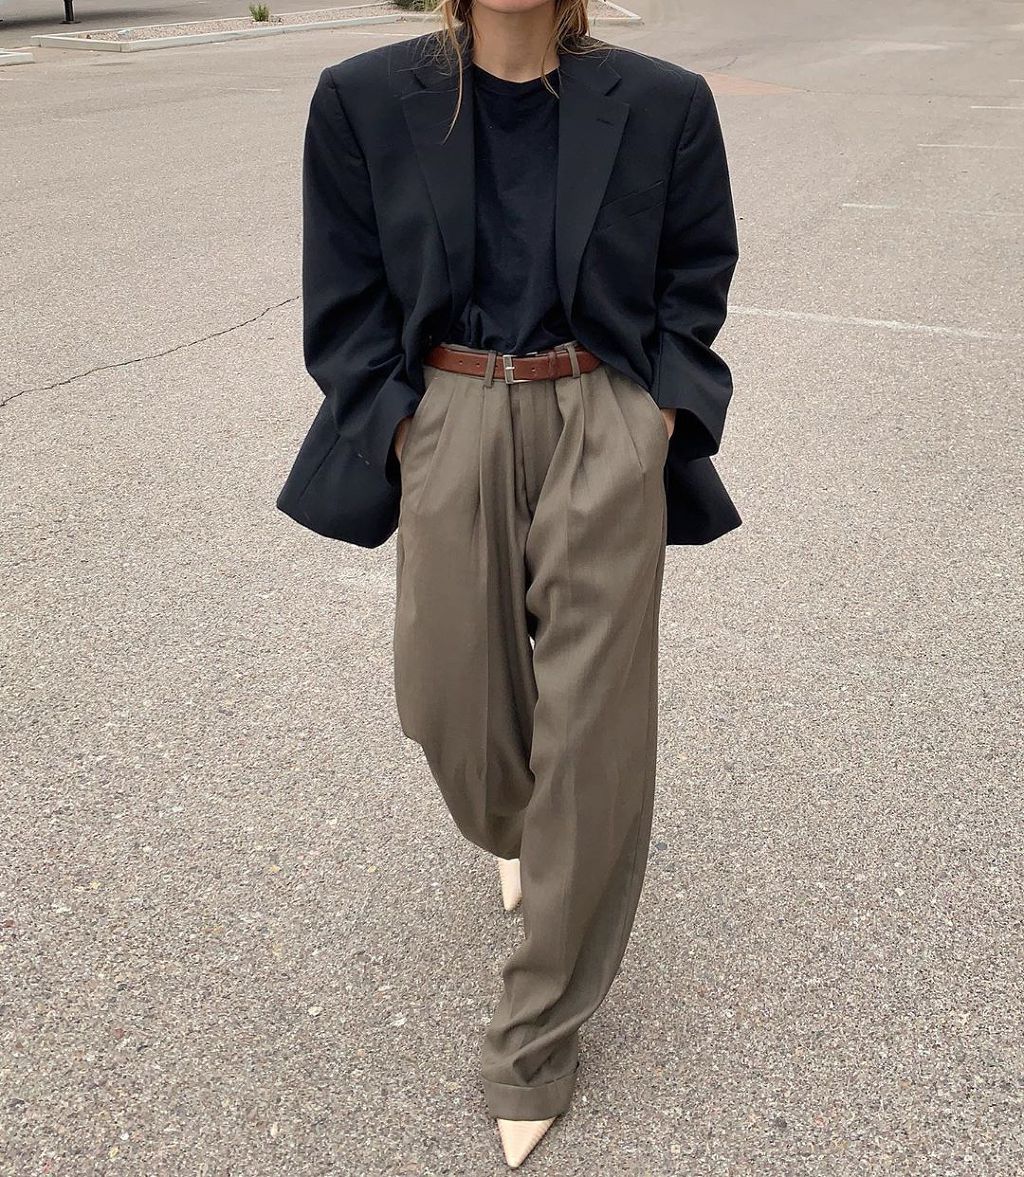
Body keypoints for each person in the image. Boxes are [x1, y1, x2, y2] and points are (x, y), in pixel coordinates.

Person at [288, 0, 740, 1167]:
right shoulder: (361, 98)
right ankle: (527, 833)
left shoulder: (663, 104)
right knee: (449, 704)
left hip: (601, 415)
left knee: (591, 729)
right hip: (448, 415)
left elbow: (696, 276)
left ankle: (533, 1042)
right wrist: (403, 430)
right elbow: (343, 301)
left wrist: (655, 419)